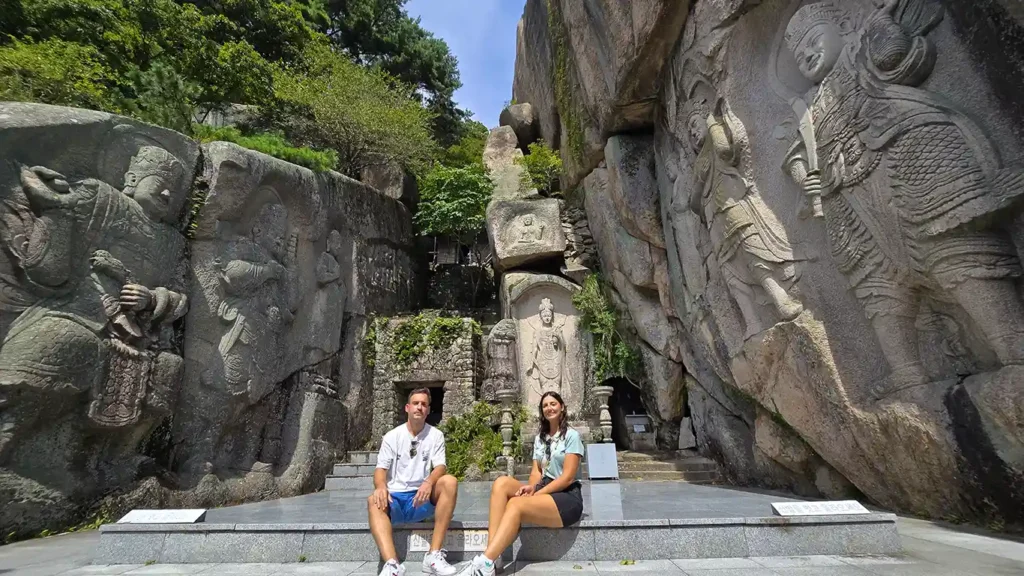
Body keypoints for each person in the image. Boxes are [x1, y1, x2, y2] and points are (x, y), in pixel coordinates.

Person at [457, 391, 584, 576]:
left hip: (566, 496)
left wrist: (536, 495)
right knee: (501, 483)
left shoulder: (572, 436)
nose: (549, 408)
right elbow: (536, 472)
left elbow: (567, 478)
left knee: (516, 504)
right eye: (545, 405)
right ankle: (494, 556)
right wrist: (532, 488)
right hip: (544, 488)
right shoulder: (540, 438)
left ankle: (484, 562)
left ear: (562, 406)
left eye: (553, 404)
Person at [368, 388, 459, 576]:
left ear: (428, 410)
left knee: (449, 481)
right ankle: (392, 564)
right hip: (396, 499)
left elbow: (440, 466)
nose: (419, 407)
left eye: (424, 404)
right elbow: (380, 470)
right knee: (373, 500)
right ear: (407, 408)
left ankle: (433, 555)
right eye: (416, 403)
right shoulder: (392, 436)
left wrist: (428, 482)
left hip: (421, 498)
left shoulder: (435, 435)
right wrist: (381, 487)